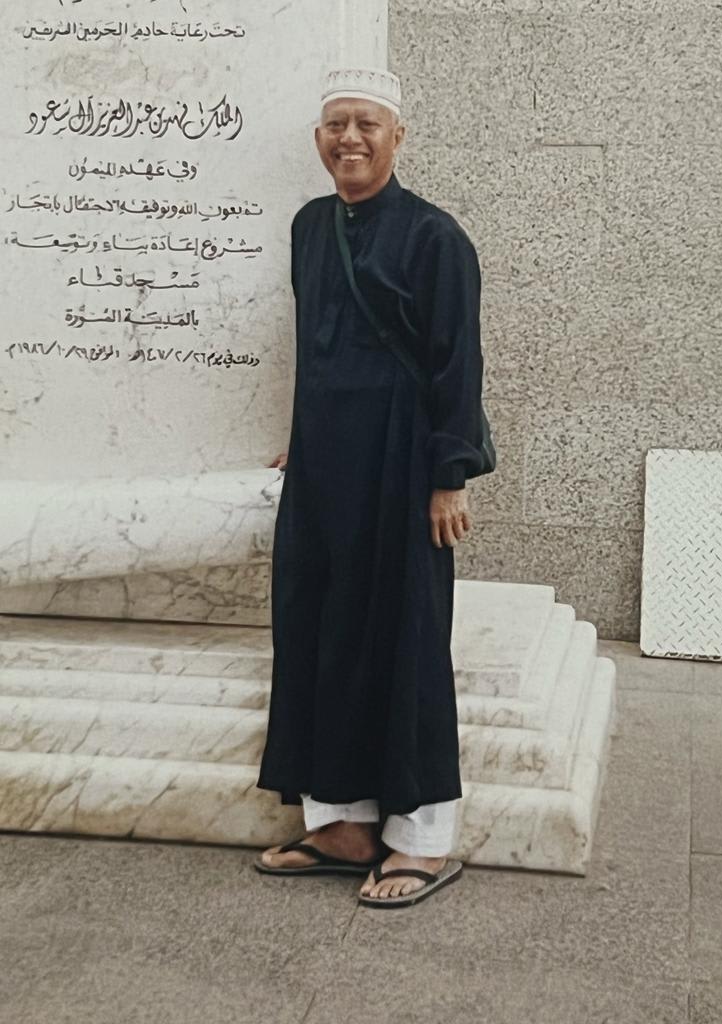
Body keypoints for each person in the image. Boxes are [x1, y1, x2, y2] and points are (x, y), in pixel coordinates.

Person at [254, 67, 489, 908]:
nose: (349, 139)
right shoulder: (309, 227)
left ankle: (423, 841)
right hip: (326, 467)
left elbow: (457, 362)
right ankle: (343, 825)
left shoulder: (435, 237)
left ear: (396, 136)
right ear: (319, 137)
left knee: (404, 635)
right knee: (320, 628)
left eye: (366, 124)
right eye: (336, 125)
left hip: (402, 461)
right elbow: (319, 344)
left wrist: (449, 476)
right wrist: (304, 440)